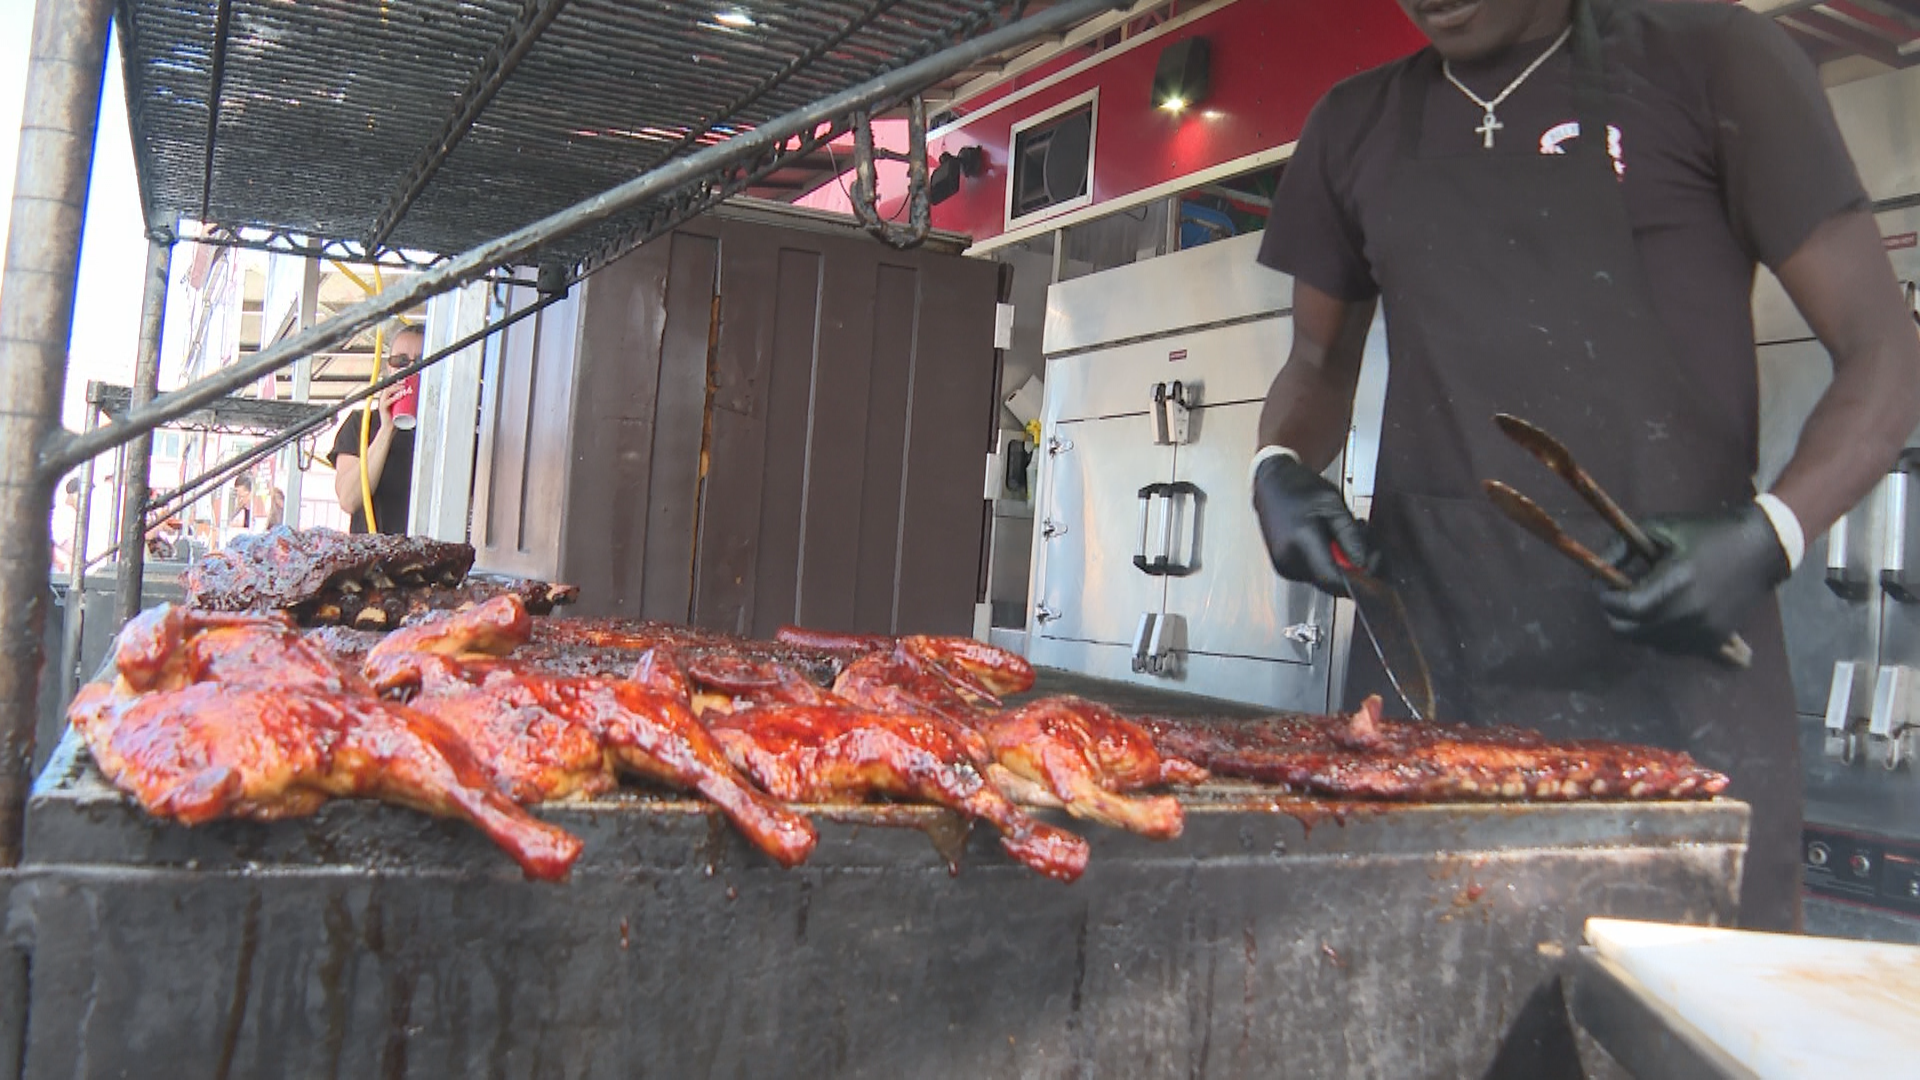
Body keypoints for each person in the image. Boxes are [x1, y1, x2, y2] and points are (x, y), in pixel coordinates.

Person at [1251, 0, 1920, 932]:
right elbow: (1318, 363)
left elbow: (1887, 352)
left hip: (1677, 693)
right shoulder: (1354, 123)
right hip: (1430, 690)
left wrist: (1773, 532)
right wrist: (1278, 465)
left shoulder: (1715, 62)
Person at [328, 322, 422, 535]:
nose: (410, 369)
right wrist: (386, 430)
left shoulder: (450, 430)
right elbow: (349, 500)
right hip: (375, 554)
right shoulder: (361, 424)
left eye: (421, 361)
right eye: (401, 361)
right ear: (389, 368)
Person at [49, 477, 79, 575]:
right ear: (73, 495)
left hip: (66, 568)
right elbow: (55, 541)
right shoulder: (66, 513)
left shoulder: (72, 513)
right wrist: (58, 561)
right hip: (60, 568)